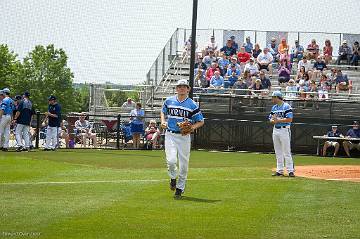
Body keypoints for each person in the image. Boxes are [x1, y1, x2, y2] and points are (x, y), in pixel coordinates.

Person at [161, 79, 204, 199]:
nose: (181, 88)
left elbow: (201, 121)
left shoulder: (192, 104)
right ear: (176, 88)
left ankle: (180, 188)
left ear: (188, 89)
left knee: (184, 165)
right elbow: (163, 111)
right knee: (171, 161)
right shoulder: (169, 101)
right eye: (179, 86)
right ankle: (173, 177)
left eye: (184, 86)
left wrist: (191, 128)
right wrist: (163, 121)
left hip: (184, 137)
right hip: (170, 134)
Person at [269, 91, 295, 177]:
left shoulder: (286, 106)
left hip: (284, 130)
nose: (272, 99)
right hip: (276, 130)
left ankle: (290, 170)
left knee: (286, 151)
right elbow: (270, 119)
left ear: (277, 97)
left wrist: (278, 120)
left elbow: (290, 119)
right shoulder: (274, 107)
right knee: (278, 151)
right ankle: (279, 170)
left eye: (273, 97)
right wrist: (273, 121)